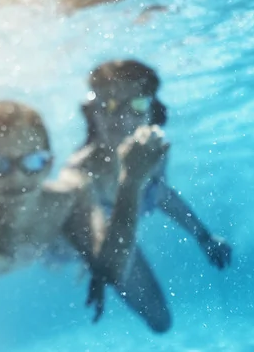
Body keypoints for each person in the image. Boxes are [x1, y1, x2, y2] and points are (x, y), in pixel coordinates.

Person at [0, 100, 169, 351]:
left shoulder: (68, 198)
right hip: (42, 250)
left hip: (66, 245)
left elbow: (113, 271)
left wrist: (132, 181)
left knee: (161, 320)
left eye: (32, 162)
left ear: (50, 163)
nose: (16, 178)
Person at [66, 59, 233, 333]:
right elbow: (86, 236)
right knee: (160, 321)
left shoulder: (153, 149)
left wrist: (204, 237)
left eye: (137, 105)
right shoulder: (82, 171)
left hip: (117, 237)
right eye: (109, 104)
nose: (123, 117)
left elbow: (160, 194)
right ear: (93, 112)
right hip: (96, 243)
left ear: (151, 110)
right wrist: (96, 267)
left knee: (161, 322)